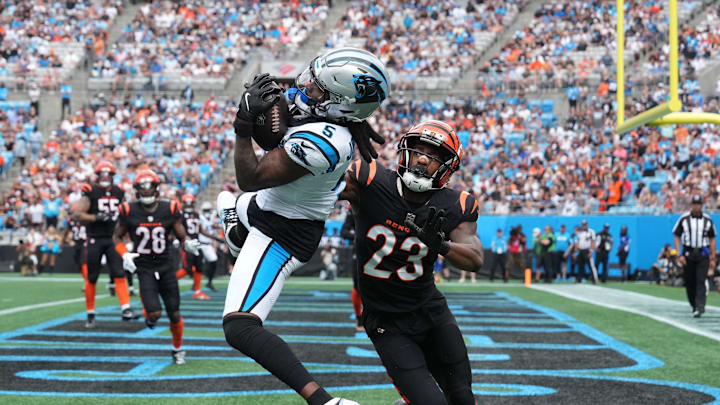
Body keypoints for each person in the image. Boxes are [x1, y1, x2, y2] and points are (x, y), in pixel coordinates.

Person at [215, 47, 389, 405]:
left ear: (340, 104)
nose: (306, 88)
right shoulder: (338, 119)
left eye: (318, 89)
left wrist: (242, 127)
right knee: (236, 210)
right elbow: (291, 105)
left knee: (239, 326)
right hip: (267, 209)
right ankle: (236, 234)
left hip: (281, 234)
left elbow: (250, 177)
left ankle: (323, 400)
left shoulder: (326, 143)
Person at [339, 120, 483, 405]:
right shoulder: (369, 180)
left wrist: (441, 245)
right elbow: (318, 186)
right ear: (405, 151)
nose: (421, 159)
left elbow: (476, 259)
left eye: (433, 156)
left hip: (430, 311)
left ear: (447, 167)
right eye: (417, 150)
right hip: (386, 319)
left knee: (463, 398)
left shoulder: (456, 204)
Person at [113, 169, 201, 364]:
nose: (145, 192)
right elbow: (116, 236)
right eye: (142, 188)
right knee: (154, 313)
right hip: (144, 267)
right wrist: (124, 253)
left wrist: (187, 242)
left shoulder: (170, 208)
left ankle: (177, 349)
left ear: (156, 188)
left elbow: (181, 234)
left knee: (174, 312)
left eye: (149, 187)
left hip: (166, 266)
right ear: (137, 190)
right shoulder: (129, 210)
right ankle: (150, 319)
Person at [72, 161, 137, 328]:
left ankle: (126, 309)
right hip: (94, 238)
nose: (106, 177)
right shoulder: (90, 191)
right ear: (97, 175)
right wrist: (97, 217)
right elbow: (78, 214)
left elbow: (125, 213)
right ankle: (90, 313)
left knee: (119, 273)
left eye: (109, 174)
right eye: (103, 174)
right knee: (92, 277)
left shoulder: (118, 191)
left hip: (113, 238)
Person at [673, 195, 716, 318]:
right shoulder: (684, 219)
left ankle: (700, 306)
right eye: (694, 204)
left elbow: (712, 239)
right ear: (691, 205)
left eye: (698, 204)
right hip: (688, 253)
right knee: (690, 281)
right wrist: (678, 253)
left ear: (702, 205)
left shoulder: (708, 220)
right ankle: (694, 305)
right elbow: (677, 235)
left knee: (701, 280)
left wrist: (712, 257)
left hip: (703, 253)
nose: (696, 206)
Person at [176, 194, 222, 300]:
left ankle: (197, 292)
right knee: (187, 269)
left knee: (199, 268)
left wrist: (215, 238)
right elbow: (177, 230)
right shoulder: (180, 215)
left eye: (190, 203)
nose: (188, 205)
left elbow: (201, 230)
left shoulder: (196, 214)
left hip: (197, 244)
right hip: (186, 245)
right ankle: (167, 283)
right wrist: (184, 241)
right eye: (187, 203)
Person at [340, 210, 363, 331]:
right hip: (360, 251)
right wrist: (360, 237)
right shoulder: (354, 210)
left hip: (379, 250)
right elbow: (343, 232)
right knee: (357, 287)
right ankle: (359, 318)